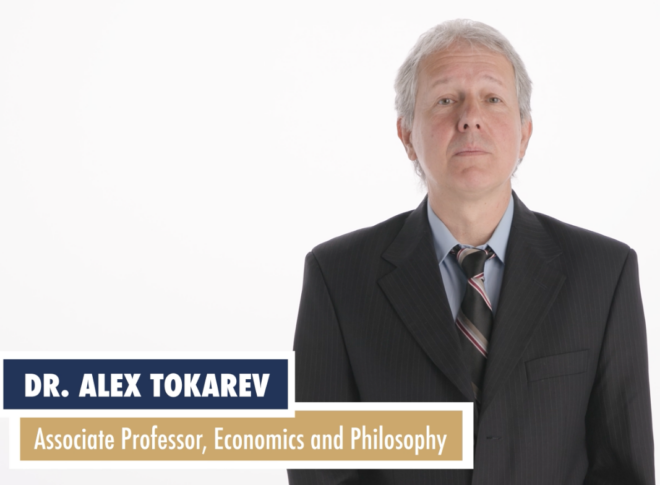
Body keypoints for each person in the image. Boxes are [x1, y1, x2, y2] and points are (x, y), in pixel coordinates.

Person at [288, 19, 655, 485]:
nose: (470, 117)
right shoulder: (336, 277)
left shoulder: (604, 274)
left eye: (493, 98)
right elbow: (322, 471)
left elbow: (624, 471)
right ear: (406, 136)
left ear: (524, 134)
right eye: (445, 100)